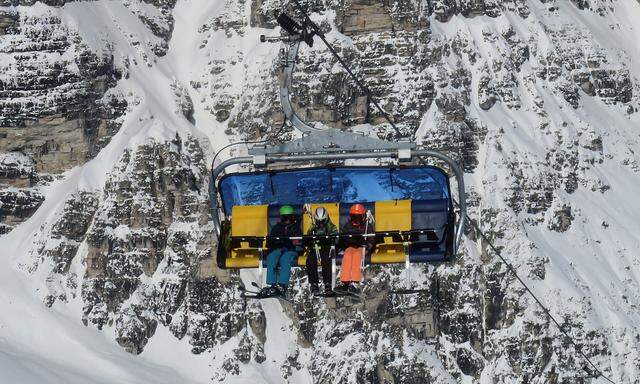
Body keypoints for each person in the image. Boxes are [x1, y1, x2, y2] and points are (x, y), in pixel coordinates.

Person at [261, 205, 302, 296]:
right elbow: (271, 240)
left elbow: (298, 240)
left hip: (290, 249)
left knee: (285, 259)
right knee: (271, 257)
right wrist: (274, 241)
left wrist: (295, 240)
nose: (287, 220)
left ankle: (282, 284)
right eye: (285, 218)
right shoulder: (277, 227)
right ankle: (272, 284)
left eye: (288, 217)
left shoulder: (295, 227)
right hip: (278, 248)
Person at [337, 203, 375, 293]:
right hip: (351, 246)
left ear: (362, 216)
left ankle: (355, 282)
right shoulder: (348, 226)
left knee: (357, 256)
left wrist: (368, 245)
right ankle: (345, 282)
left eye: (357, 217)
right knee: (347, 255)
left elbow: (371, 239)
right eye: (354, 217)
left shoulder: (367, 226)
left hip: (362, 247)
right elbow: (343, 238)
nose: (356, 220)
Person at [305, 207, 338, 295]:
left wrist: (330, 239)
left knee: (326, 260)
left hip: (326, 248)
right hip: (315, 248)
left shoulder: (331, 227)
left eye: (322, 221)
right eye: (318, 221)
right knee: (310, 260)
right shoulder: (313, 227)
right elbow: (307, 238)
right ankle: (314, 284)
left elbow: (336, 238)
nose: (320, 224)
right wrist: (311, 239)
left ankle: (328, 283)